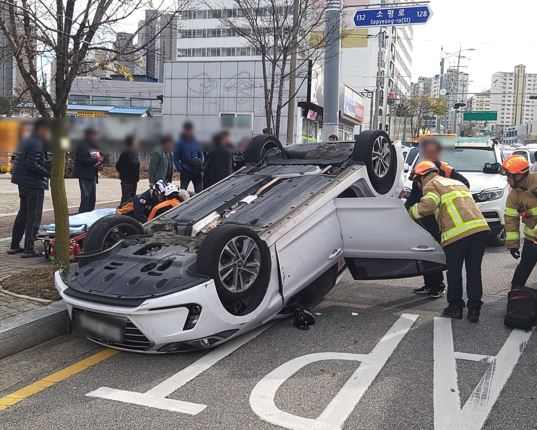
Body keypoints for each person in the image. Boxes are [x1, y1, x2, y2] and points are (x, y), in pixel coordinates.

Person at [408, 161, 490, 322]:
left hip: (457, 233)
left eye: (417, 181)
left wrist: (410, 211)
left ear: (422, 177)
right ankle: (474, 309)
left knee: (454, 272)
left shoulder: (431, 184)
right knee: (474, 271)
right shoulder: (456, 183)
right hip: (480, 229)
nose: (417, 185)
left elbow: (428, 206)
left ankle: (455, 307)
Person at [405, 137, 470, 298]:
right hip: (424, 217)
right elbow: (414, 196)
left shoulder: (447, 171)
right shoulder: (421, 171)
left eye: (432, 151)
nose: (429, 154)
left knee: (435, 253)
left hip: (440, 219)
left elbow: (465, 185)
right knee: (426, 252)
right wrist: (407, 211)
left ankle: (437, 286)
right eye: (426, 152)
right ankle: (430, 284)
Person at [8, 119, 50, 258]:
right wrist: (48, 172)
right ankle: (29, 249)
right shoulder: (37, 142)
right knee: (34, 216)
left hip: (22, 182)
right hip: (33, 184)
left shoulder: (26, 139)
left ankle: (14, 246)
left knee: (23, 214)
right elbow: (32, 164)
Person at [501, 155, 537, 290]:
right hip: (532, 239)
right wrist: (513, 245)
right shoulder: (514, 195)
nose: (507, 179)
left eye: (509, 176)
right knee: (524, 266)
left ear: (519, 175)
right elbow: (511, 219)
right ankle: (516, 292)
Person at [116, 180, 190, 224]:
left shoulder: (156, 198)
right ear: (156, 192)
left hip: (138, 215)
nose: (165, 199)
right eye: (163, 196)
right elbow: (139, 215)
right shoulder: (142, 199)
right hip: (123, 214)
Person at [74, 128, 101, 213]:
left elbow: (97, 157)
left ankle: (90, 213)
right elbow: (83, 159)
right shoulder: (82, 145)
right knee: (86, 197)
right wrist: (96, 161)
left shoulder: (93, 146)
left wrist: (99, 164)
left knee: (92, 198)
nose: (95, 137)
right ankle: (83, 214)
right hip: (84, 175)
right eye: (93, 135)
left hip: (92, 174)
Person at [174, 122, 204, 193]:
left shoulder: (196, 141)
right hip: (186, 170)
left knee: (199, 192)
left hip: (197, 170)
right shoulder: (180, 142)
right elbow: (175, 158)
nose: (189, 132)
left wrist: (200, 165)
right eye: (188, 130)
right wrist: (180, 169)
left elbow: (201, 155)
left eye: (191, 130)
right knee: (183, 193)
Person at [115, 135, 140, 204]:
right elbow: (118, 165)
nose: (137, 143)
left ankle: (129, 210)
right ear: (131, 142)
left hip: (134, 179)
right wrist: (124, 173)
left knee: (132, 199)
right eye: (136, 141)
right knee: (126, 199)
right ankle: (121, 210)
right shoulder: (126, 152)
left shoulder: (134, 152)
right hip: (127, 180)